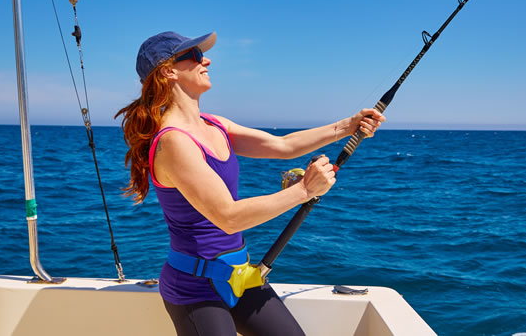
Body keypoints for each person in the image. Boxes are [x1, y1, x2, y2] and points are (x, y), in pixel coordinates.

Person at [116, 31, 385, 336]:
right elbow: (228, 217)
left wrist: (347, 126)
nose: (206, 59)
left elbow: (283, 145)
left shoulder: (215, 124)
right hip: (194, 289)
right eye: (193, 55)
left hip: (240, 276)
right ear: (168, 71)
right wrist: (305, 190)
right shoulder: (174, 142)